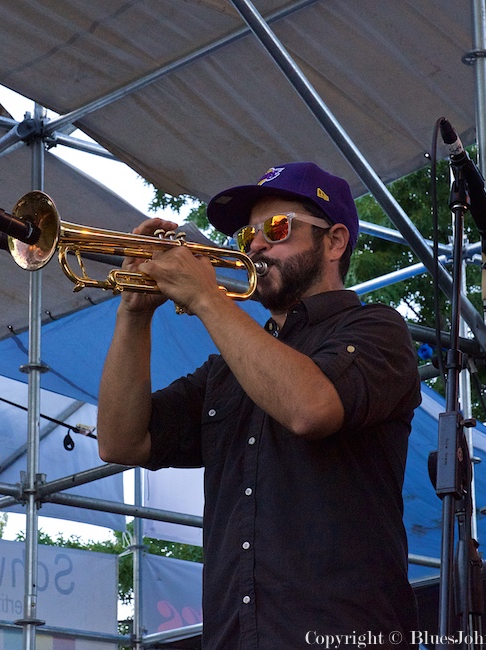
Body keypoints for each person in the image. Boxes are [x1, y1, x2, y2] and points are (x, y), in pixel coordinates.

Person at [97, 162, 421, 649]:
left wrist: (206, 296)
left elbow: (309, 408)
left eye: (276, 228)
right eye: (249, 233)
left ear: (334, 242)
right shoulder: (226, 369)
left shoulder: (378, 330)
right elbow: (121, 440)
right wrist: (133, 313)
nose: (253, 245)